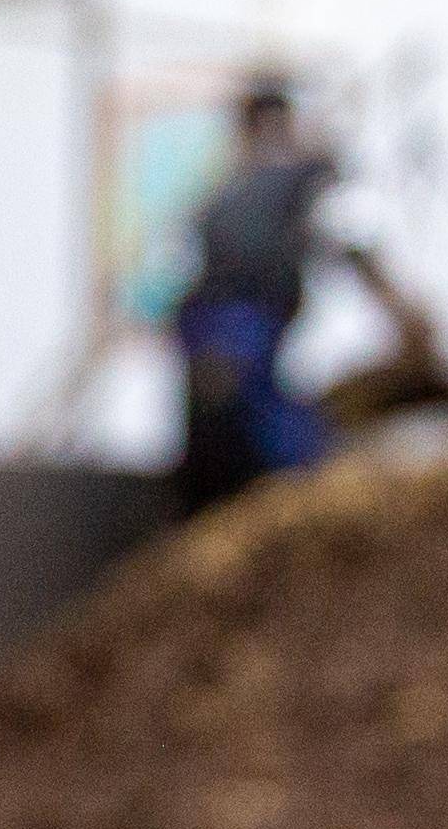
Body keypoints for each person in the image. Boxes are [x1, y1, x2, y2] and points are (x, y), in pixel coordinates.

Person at [169, 75, 430, 515]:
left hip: (232, 333)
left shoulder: (237, 192)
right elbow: (327, 220)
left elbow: (331, 241)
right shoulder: (258, 188)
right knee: (256, 437)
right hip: (231, 329)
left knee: (252, 433)